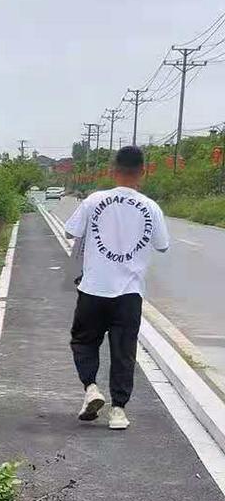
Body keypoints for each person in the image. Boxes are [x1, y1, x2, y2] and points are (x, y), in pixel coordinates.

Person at [63, 146, 169, 430]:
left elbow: (70, 231)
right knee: (124, 351)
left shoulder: (95, 200)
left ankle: (91, 389)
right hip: (129, 294)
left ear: (113, 170)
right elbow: (162, 244)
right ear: (142, 172)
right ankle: (119, 411)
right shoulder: (150, 207)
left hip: (94, 288)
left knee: (84, 342)